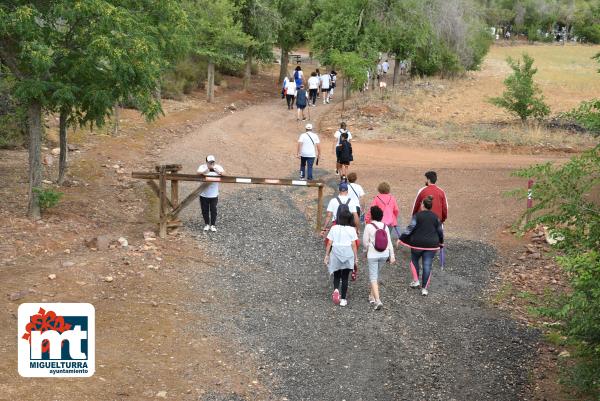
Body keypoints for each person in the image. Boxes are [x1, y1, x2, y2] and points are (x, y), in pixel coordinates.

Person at [399, 195, 444, 296]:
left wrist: (401, 238)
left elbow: (410, 228)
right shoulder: (436, 217)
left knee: (414, 260)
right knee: (427, 265)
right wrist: (441, 242)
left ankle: (416, 281)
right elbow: (440, 231)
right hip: (432, 245)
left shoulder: (417, 216)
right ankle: (424, 289)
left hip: (417, 244)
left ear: (423, 205)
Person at [362, 205, 395, 309]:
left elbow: (365, 242)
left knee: (373, 277)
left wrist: (366, 250)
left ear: (372, 215)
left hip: (373, 254)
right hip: (384, 254)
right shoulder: (385, 226)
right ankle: (371, 296)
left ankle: (378, 301)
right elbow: (389, 242)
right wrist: (392, 255)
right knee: (375, 274)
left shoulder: (369, 226)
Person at [324, 210, 358, 307]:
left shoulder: (334, 228)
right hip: (348, 254)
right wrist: (356, 257)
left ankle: (336, 290)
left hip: (336, 253)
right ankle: (343, 299)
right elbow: (354, 245)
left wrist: (327, 255)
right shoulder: (352, 229)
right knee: (345, 277)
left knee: (337, 274)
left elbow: (329, 242)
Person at [197, 155, 225, 232]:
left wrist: (216, 170)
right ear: (206, 162)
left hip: (214, 194)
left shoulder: (218, 167)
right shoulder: (202, 167)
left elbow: (224, 174)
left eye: (212, 162)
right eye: (210, 162)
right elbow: (198, 173)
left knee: (213, 210)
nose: (211, 163)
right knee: (204, 210)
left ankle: (213, 225)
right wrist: (207, 170)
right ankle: (206, 224)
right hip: (203, 193)